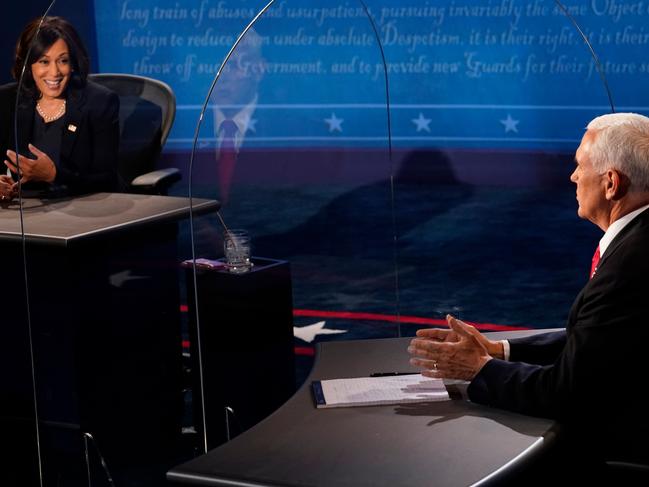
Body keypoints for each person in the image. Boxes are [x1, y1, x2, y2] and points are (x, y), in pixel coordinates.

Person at [408, 112, 649, 468]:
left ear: (611, 183)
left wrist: (478, 369)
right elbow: (599, 340)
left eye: (579, 165)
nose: (573, 176)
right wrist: (501, 350)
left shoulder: (630, 264)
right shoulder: (638, 241)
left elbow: (566, 393)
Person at [0, 16, 121, 201]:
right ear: (27, 64)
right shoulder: (8, 100)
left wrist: (53, 175)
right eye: (44, 61)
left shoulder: (100, 102)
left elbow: (106, 179)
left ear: (73, 63)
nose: (55, 72)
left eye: (63, 61)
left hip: (86, 209)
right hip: (28, 214)